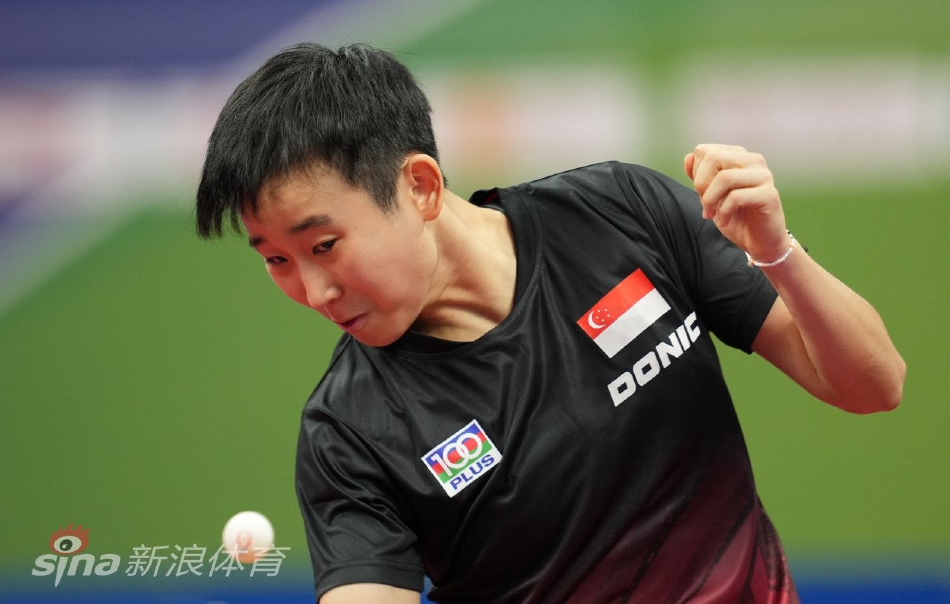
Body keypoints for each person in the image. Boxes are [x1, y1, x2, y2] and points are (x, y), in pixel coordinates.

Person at [195, 43, 905, 604]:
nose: (313, 290)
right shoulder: (351, 431)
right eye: (275, 260)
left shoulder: (621, 214)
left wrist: (777, 253)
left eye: (323, 245)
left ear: (420, 186)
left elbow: (875, 385)